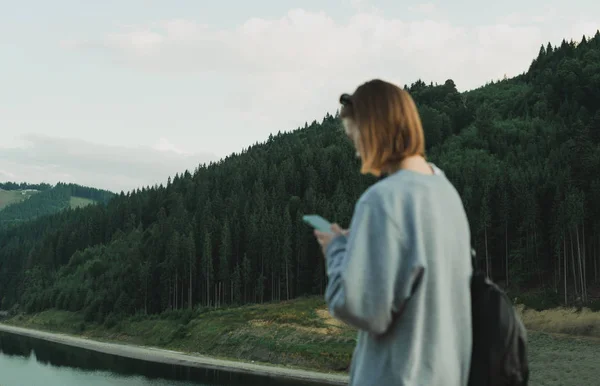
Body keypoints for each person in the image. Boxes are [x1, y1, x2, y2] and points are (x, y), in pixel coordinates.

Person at [313, 79, 473, 386]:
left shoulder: (383, 200)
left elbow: (364, 308)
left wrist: (336, 251)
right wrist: (361, 244)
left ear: (373, 130)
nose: (357, 152)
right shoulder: (444, 190)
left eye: (355, 137)